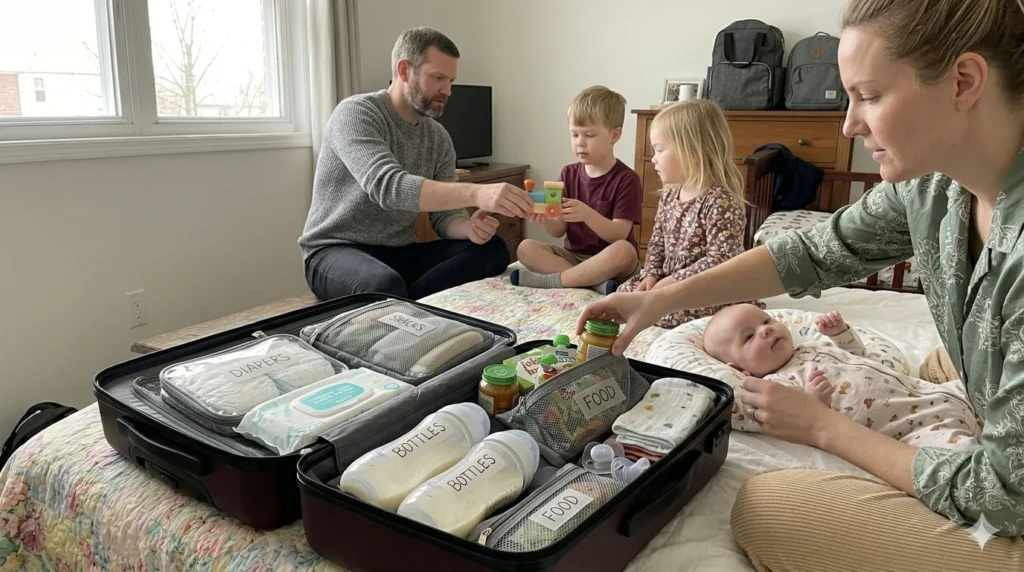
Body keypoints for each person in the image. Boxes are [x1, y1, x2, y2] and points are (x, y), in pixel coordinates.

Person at [576, 0, 1024, 569]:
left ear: (964, 81)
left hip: (1013, 503)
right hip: (989, 422)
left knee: (765, 508)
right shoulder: (934, 190)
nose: (849, 125)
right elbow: (808, 250)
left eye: (870, 95)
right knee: (941, 359)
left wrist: (824, 428)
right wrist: (659, 296)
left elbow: (1003, 496)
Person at [299, 27, 533, 301]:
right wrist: (478, 192)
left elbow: (446, 217)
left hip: (398, 251)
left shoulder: (438, 137)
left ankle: (402, 305)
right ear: (403, 70)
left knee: (492, 249)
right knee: (382, 283)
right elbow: (388, 187)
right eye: (438, 78)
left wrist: (468, 227)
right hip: (335, 251)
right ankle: (400, 303)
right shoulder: (356, 113)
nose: (447, 90)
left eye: (451, 80)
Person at [703, 304, 980, 451]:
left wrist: (840, 335)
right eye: (749, 337)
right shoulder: (777, 386)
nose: (765, 331)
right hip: (913, 427)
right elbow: (799, 420)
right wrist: (813, 401)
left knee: (989, 392)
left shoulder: (811, 346)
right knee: (962, 461)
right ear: (740, 369)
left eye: (766, 322)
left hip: (932, 393)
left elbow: (859, 355)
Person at [615, 100, 762, 328]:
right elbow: (657, 242)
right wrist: (651, 275)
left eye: (660, 149)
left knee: (668, 311)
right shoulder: (670, 195)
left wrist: (673, 283)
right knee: (625, 292)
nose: (653, 158)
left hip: (708, 285)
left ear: (691, 151)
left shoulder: (720, 201)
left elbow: (720, 260)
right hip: (669, 279)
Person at [511, 85, 642, 295]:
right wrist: (545, 218)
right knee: (525, 248)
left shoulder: (627, 179)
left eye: (589, 135)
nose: (580, 143)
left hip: (609, 260)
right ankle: (590, 283)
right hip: (574, 256)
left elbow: (618, 235)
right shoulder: (568, 174)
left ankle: (558, 280)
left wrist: (588, 215)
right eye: (574, 135)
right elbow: (558, 230)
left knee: (625, 252)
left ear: (614, 135)